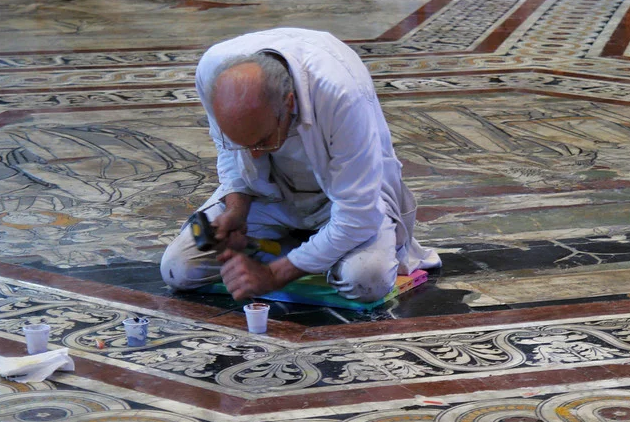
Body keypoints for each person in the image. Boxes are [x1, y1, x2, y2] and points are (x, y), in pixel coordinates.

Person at [160, 28, 441, 303]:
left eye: (263, 141)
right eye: (244, 145)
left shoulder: (340, 93)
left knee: (367, 279)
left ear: (289, 103)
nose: (253, 155)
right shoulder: (214, 74)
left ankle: (296, 252)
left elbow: (357, 214)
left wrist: (275, 274)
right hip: (269, 196)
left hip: (339, 199)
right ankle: (309, 249)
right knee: (179, 269)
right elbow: (227, 152)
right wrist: (236, 209)